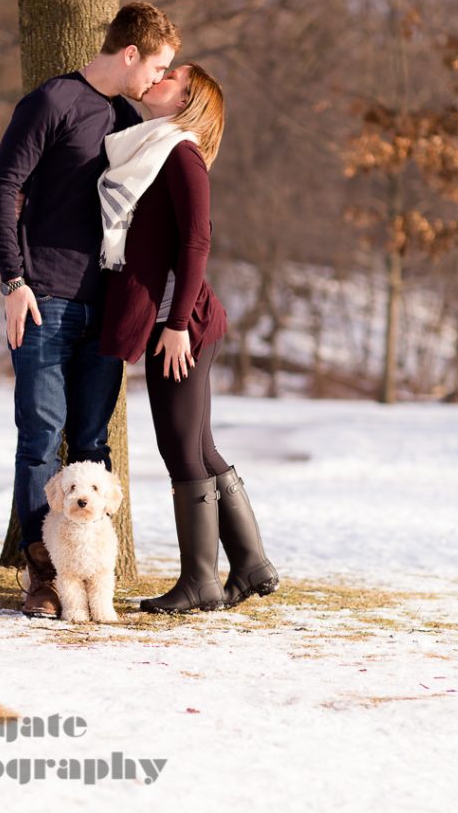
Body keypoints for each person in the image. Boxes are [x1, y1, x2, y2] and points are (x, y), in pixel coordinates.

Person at [0, 1, 181, 618]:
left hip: (109, 308)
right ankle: (41, 578)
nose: (156, 79)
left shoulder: (128, 118)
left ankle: (93, 576)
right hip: (44, 299)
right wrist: (13, 280)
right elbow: (2, 186)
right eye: (157, 66)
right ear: (130, 55)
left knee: (92, 442)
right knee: (40, 437)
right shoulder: (52, 103)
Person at [99, 63, 279, 614]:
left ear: (187, 100)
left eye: (171, 75)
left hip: (183, 325)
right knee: (197, 446)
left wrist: (177, 325)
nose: (159, 78)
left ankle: (201, 582)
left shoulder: (181, 153)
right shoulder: (156, 149)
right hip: (174, 322)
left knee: (181, 448)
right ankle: (250, 567)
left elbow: (197, 242)